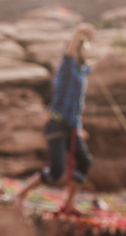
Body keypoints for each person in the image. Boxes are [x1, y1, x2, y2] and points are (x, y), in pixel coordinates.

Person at [36, 23, 93, 208]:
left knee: (84, 161)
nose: (89, 51)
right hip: (57, 124)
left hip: (72, 125)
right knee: (57, 171)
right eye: (85, 48)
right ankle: (20, 195)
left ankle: (69, 204)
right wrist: (78, 32)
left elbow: (89, 68)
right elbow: (68, 53)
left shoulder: (81, 71)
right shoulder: (67, 68)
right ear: (77, 50)